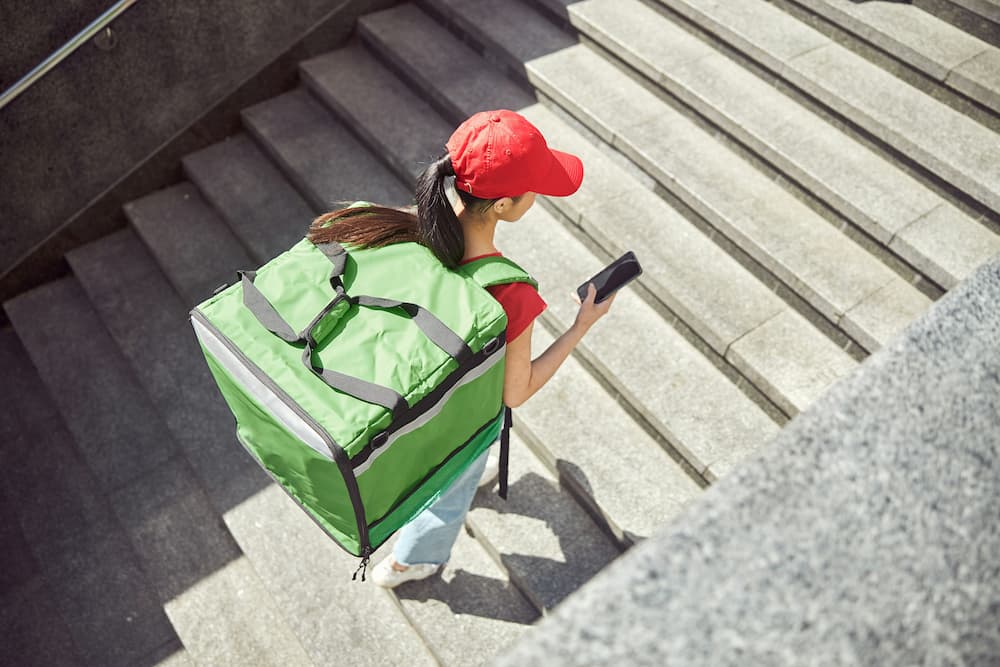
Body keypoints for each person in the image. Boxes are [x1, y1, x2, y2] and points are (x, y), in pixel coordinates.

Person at [306, 109, 614, 588]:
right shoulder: (511, 293)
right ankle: (411, 560)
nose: (536, 197)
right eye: (533, 189)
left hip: (400, 387)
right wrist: (581, 326)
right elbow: (516, 392)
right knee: (452, 482)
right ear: (504, 206)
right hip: (455, 415)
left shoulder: (400, 228)